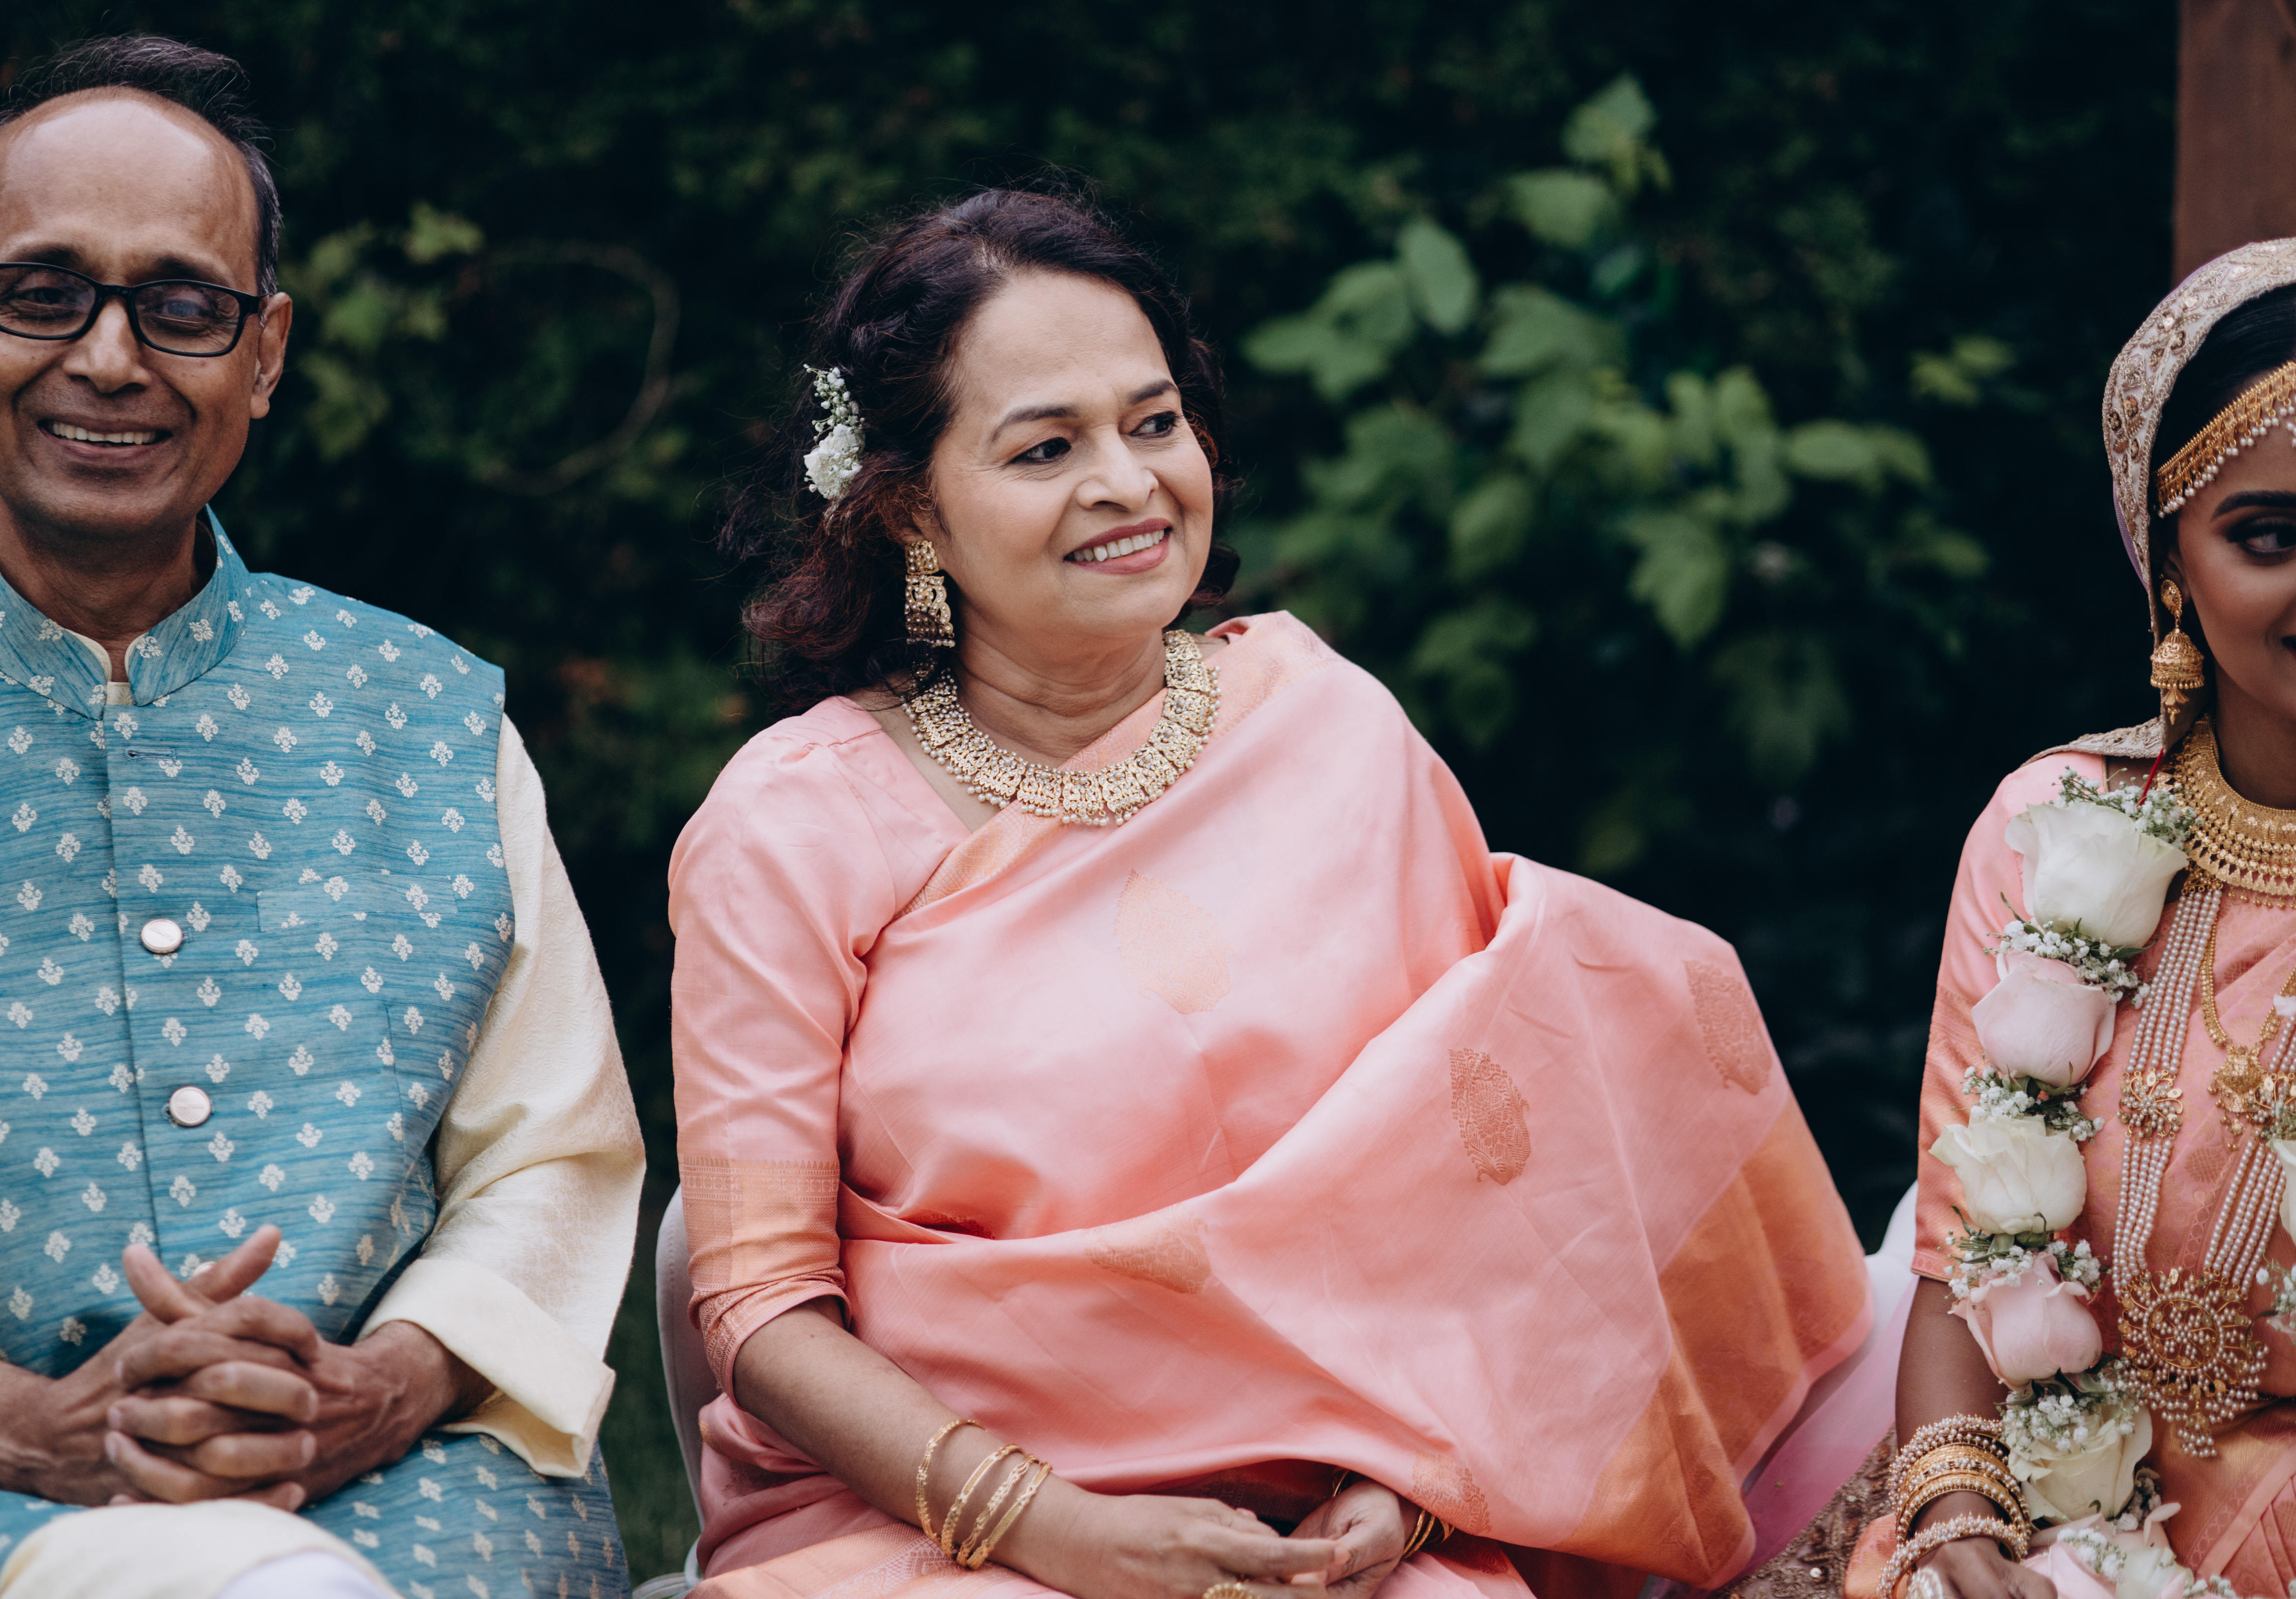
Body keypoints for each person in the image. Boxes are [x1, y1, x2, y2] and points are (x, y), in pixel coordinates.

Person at [665, 187, 1880, 1599]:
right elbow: (760, 1307)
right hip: (939, 1523)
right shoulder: (794, 825)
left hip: (1337, 1524)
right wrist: (1057, 1529)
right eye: (1047, 448)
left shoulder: (1328, 727)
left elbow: (1502, 1190)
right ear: (908, 509)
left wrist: (1411, 1491)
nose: (1127, 483)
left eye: (1155, 422)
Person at [0, 35, 645, 1599]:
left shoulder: (423, 718)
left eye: (182, 306)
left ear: (265, 355)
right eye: (42, 292)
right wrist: (20, 1427)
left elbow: (551, 1157)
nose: (107, 358)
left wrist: (374, 1393)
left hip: (405, 1492)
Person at [1879, 238, 2296, 1599]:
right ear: (2171, 559)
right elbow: (1964, 1261)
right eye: (2270, 537)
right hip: (2053, 1510)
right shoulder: (2051, 827)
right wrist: (1957, 1517)